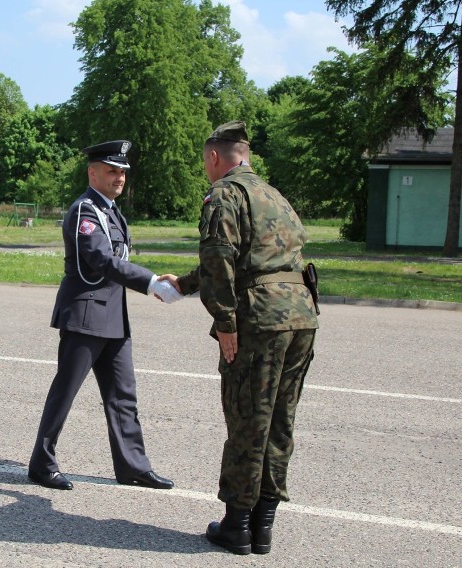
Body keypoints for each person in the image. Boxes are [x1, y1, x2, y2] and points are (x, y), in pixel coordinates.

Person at [161, 121, 319, 555]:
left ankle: (236, 526)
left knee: (248, 419)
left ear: (215, 157)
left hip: (259, 322)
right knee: (279, 422)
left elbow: (219, 256)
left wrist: (226, 323)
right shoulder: (273, 195)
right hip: (301, 317)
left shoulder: (225, 194)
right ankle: (263, 527)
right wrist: (186, 283)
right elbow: (260, 260)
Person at [28, 139, 181, 491]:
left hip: (112, 316)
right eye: (112, 170)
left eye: (123, 171)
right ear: (92, 172)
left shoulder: (111, 211)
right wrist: (152, 282)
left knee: (123, 395)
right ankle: (42, 462)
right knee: (65, 392)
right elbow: (101, 261)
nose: (119, 177)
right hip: (85, 315)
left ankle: (132, 466)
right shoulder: (85, 211)